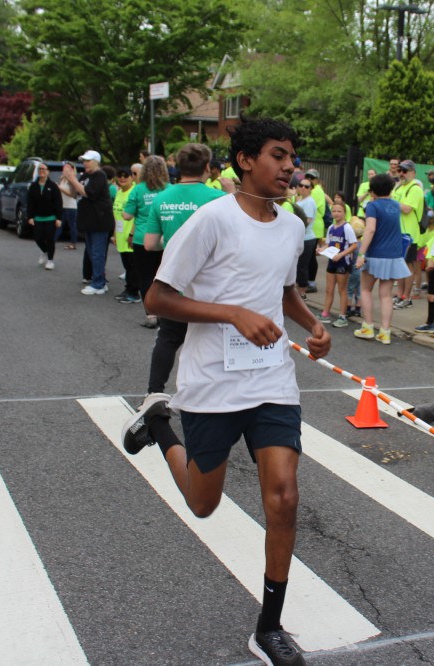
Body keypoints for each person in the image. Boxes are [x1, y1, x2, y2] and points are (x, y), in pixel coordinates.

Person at [125, 116, 328, 666]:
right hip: (213, 382)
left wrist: (312, 324)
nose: (289, 167)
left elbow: (283, 290)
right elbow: (156, 298)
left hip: (272, 380)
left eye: (292, 158)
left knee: (284, 496)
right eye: (278, 155)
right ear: (245, 160)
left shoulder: (291, 226)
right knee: (203, 502)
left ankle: (269, 628)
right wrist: (232, 313)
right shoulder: (211, 221)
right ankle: (159, 425)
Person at [139, 143, 229, 395]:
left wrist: (172, 241)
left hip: (174, 283)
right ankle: (207, 395)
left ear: (179, 167)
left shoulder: (162, 198)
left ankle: (154, 393)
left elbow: (149, 244)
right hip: (210, 287)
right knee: (210, 344)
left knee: (168, 339)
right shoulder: (219, 199)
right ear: (208, 167)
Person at [352, 173, 410, 345]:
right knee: (386, 295)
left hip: (375, 254)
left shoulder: (372, 206)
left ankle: (368, 327)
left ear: (373, 190)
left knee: (365, 289)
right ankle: (385, 332)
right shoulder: (395, 205)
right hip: (393, 254)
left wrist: (361, 254)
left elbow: (370, 229)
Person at [123, 155, 169, 323]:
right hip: (165, 238)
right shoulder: (169, 188)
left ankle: (151, 314)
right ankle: (165, 313)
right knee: (163, 278)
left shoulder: (138, 189)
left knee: (145, 277)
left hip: (142, 238)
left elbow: (127, 216)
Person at [63, 150, 113, 295]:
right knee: (92, 253)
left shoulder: (99, 175)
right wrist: (70, 179)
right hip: (89, 220)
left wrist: (72, 179)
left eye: (88, 160)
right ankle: (99, 280)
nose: (85, 163)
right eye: (84, 161)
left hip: (99, 221)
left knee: (97, 253)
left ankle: (98, 283)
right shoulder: (85, 176)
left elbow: (88, 193)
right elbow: (75, 193)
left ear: (96, 162)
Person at [316, 202, 359, 327]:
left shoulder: (347, 227)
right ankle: (325, 314)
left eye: (339, 211)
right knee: (329, 289)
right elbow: (328, 244)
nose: (336, 213)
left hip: (342, 262)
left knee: (342, 289)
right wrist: (321, 249)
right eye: (334, 211)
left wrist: (341, 255)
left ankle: (342, 316)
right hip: (332, 261)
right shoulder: (331, 227)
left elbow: (354, 245)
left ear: (344, 213)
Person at [392, 160, 424, 308]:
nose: (402, 174)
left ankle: (407, 297)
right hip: (398, 232)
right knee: (399, 265)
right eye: (400, 171)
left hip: (409, 235)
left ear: (413, 173)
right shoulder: (400, 187)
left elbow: (406, 209)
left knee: (408, 266)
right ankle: (400, 295)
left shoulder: (415, 189)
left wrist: (391, 201)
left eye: (405, 171)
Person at [26, 161, 63, 270]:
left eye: (44, 169)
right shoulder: (33, 186)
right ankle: (44, 251)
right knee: (37, 238)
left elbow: (58, 202)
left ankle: (50, 260)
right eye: (40, 169)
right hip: (38, 217)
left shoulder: (53, 186)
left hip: (51, 217)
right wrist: (30, 217)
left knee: (50, 239)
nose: (42, 171)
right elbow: (30, 202)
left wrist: (59, 218)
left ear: (48, 172)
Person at [111, 166, 139, 302]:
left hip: (130, 235)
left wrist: (132, 234)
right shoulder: (119, 192)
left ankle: (134, 293)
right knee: (127, 265)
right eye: (119, 175)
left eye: (125, 175)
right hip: (120, 234)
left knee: (133, 266)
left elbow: (137, 215)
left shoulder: (134, 192)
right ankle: (128, 289)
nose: (122, 178)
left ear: (131, 177)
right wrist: (114, 234)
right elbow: (116, 215)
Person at [293, 177, 318, 298]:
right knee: (298, 266)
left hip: (306, 238)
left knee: (302, 267)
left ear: (311, 189)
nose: (303, 188)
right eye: (301, 185)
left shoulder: (309, 202)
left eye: (306, 186)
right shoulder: (301, 200)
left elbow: (306, 221)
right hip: (301, 238)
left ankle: (302, 293)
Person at [57, 164, 79, 250]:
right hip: (63, 205)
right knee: (59, 224)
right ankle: (52, 240)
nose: (64, 170)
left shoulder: (72, 180)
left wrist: (60, 188)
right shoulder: (63, 179)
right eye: (64, 168)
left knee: (72, 225)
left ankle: (73, 243)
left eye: (67, 168)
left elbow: (72, 194)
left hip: (71, 206)